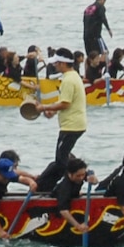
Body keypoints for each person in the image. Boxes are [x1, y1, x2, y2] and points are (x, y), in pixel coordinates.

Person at [37, 52, 88, 186]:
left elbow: (66, 103)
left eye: (56, 63)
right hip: (74, 124)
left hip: (71, 126)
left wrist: (43, 107)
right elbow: (65, 101)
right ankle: (47, 185)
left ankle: (78, 180)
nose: (54, 66)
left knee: (60, 162)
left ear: (63, 63)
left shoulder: (69, 80)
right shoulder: (73, 75)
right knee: (62, 158)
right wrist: (52, 112)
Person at [48, 154, 94, 237]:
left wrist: (93, 179)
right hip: (59, 203)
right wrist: (78, 226)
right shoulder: (65, 188)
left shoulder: (80, 173)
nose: (81, 178)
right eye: (78, 176)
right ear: (69, 174)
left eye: (83, 175)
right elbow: (63, 211)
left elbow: (92, 179)